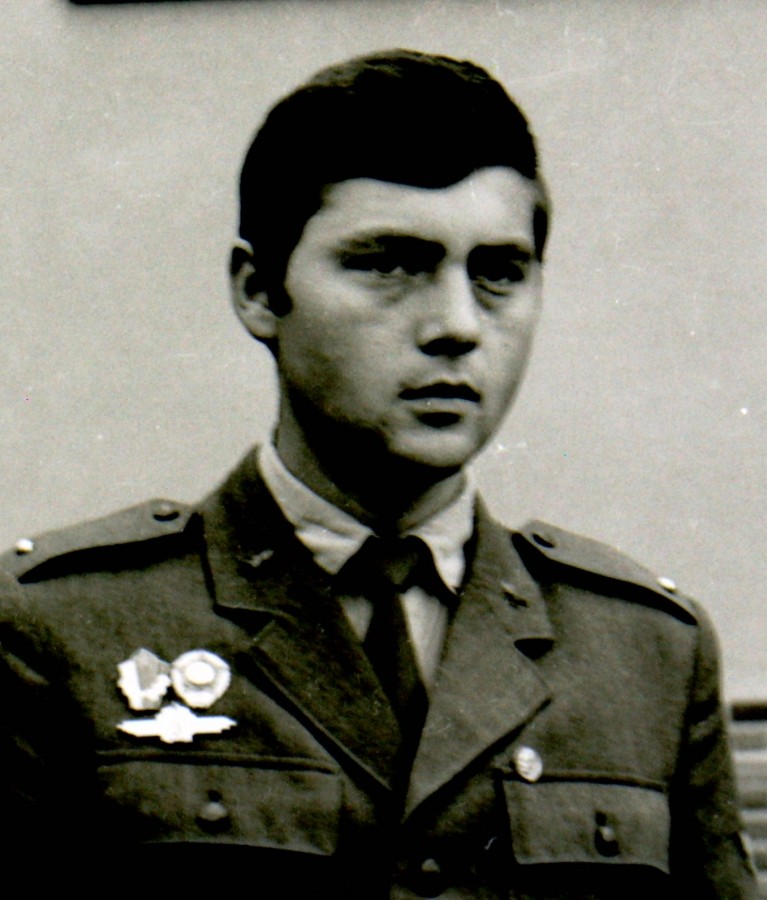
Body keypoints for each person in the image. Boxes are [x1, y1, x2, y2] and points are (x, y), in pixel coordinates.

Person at [0, 50, 756, 898]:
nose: (456, 325)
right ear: (259, 292)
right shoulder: (58, 628)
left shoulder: (644, 652)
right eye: (390, 264)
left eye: (498, 272)